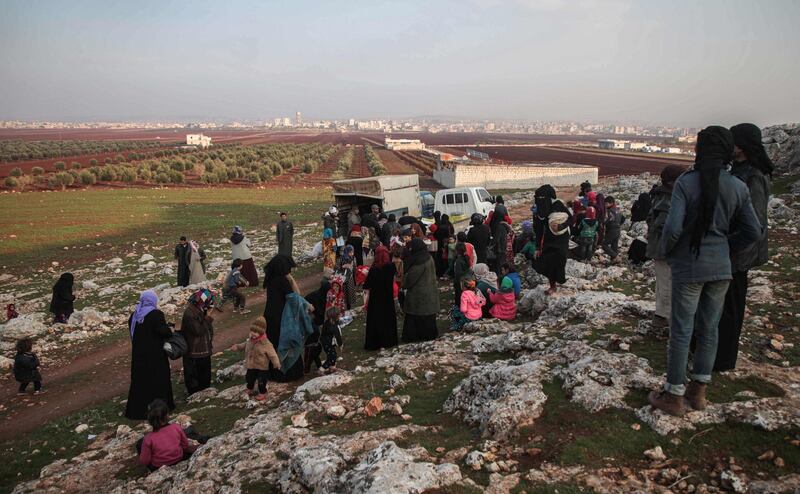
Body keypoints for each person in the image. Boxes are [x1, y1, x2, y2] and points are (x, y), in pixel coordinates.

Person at [648, 126, 763, 417]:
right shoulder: (737, 185)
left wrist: (672, 252)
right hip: (721, 269)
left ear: (700, 150)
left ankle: (673, 394)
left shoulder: (687, 182)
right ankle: (698, 392)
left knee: (682, 329)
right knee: (709, 328)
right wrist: (725, 246)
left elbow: (673, 229)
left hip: (689, 267)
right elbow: (753, 230)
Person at [715, 123, 774, 371]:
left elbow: (756, 224)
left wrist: (729, 247)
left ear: (741, 145)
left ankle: (724, 360)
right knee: (720, 306)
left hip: (738, 255)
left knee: (730, 308)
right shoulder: (739, 170)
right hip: (730, 251)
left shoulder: (754, 176)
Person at [646, 165, 686, 328]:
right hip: (666, 248)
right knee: (667, 282)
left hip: (662, 246)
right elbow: (662, 224)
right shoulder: (667, 197)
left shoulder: (662, 195)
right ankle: (665, 317)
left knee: (664, 282)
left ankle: (662, 314)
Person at [125, 290, 175, 420]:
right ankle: (160, 409)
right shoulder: (155, 314)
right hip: (155, 356)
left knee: (140, 382)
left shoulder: (134, 316)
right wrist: (170, 330)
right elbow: (163, 332)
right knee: (158, 381)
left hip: (138, 356)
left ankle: (138, 411)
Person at [262, 254, 304, 382]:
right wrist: (291, 280)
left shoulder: (270, 280)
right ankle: (288, 373)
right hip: (282, 318)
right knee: (286, 344)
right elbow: (297, 296)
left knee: (273, 344)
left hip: (269, 317)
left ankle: (273, 372)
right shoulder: (282, 280)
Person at [531, 185, 573, 295]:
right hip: (549, 239)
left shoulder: (557, 205)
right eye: (538, 198)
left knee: (559, 259)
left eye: (542, 198)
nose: (540, 201)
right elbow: (538, 229)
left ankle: (559, 280)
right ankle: (552, 286)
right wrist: (537, 247)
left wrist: (561, 226)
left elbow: (571, 219)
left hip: (561, 238)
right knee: (547, 261)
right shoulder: (539, 210)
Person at [137, 399, 197, 471]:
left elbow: (144, 461)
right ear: (167, 415)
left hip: (159, 467)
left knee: (139, 444)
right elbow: (185, 445)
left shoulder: (148, 439)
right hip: (179, 458)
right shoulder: (176, 427)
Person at [230, 317, 281, 401]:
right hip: (251, 365)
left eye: (256, 332)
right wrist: (237, 346)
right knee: (249, 378)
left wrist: (276, 363)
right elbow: (244, 345)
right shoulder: (250, 340)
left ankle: (263, 392)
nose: (253, 333)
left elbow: (273, 355)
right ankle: (250, 388)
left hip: (262, 367)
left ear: (261, 332)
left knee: (261, 381)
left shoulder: (266, 343)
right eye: (252, 331)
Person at [402, 238, 440, 343]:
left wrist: (403, 283)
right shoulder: (428, 257)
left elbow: (411, 279)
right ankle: (429, 334)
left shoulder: (419, 261)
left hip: (419, 294)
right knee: (427, 318)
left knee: (416, 316)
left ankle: (415, 336)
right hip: (429, 291)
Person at [181, 289, 215, 396]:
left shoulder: (199, 309)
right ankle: (194, 394)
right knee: (195, 375)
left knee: (204, 374)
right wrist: (208, 317)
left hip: (203, 349)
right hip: (194, 351)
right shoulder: (189, 313)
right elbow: (198, 331)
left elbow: (207, 328)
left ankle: (204, 390)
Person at [364, 245, 398, 350]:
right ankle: (389, 340)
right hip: (388, 297)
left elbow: (367, 285)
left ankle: (376, 342)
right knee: (388, 319)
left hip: (376, 299)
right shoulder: (391, 267)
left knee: (376, 320)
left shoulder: (374, 270)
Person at [303, 279, 329, 373]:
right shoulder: (315, 297)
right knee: (313, 346)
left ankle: (311, 366)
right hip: (309, 322)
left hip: (313, 322)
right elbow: (312, 309)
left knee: (314, 346)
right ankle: (307, 366)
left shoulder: (321, 296)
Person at [602, 196, 624, 261]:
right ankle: (614, 260)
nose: (605, 205)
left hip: (612, 229)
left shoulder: (609, 211)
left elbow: (607, 221)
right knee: (614, 245)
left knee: (604, 244)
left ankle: (615, 256)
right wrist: (619, 224)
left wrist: (604, 224)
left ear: (611, 203)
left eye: (606, 204)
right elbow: (623, 219)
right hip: (617, 229)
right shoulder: (617, 210)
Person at [321, 307, 343, 372]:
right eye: (339, 314)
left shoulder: (328, 322)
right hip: (328, 343)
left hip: (326, 342)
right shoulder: (333, 326)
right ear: (336, 316)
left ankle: (332, 367)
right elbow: (338, 336)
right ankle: (322, 369)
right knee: (332, 356)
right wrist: (340, 345)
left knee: (332, 354)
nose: (340, 315)